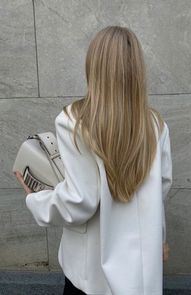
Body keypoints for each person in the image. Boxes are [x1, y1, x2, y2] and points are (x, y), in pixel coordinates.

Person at [14, 25, 172, 295]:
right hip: (139, 271)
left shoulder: (73, 121)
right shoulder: (155, 124)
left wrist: (35, 199)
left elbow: (79, 201)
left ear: (93, 66)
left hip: (90, 273)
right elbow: (160, 188)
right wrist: (161, 239)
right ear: (137, 70)